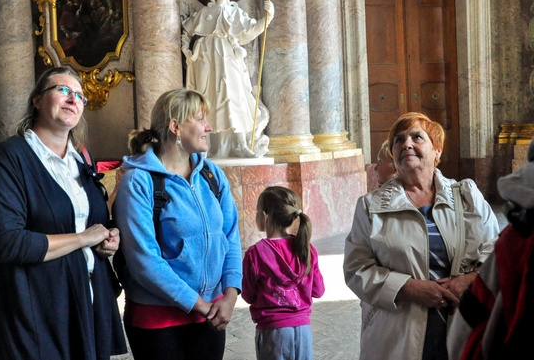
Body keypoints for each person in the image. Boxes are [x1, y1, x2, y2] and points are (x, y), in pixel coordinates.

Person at [0, 67, 126, 359]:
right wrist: (82, 238)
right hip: (37, 311)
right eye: (63, 90)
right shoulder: (10, 156)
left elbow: (93, 223)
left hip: (87, 304)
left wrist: (108, 238)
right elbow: (7, 242)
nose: (73, 99)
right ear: (37, 100)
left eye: (80, 96)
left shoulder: (81, 159)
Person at [343, 112, 500, 360]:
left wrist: (471, 280)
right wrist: (407, 288)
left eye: (417, 137)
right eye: (399, 140)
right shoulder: (370, 206)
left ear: (437, 150)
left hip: (462, 324)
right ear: (393, 156)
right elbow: (356, 268)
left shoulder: (467, 196)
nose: (406, 144)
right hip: (397, 334)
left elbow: (496, 250)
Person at [112, 88, 242, 360]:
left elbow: (230, 237)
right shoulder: (139, 181)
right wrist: (200, 305)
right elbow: (144, 261)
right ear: (175, 127)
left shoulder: (212, 175)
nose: (209, 127)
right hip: (158, 319)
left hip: (210, 314)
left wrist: (230, 295)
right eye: (200, 119)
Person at [447, 137, 534, 360]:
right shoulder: (514, 239)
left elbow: (463, 340)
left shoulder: (517, 240)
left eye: (417, 138)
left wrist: (473, 276)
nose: (408, 145)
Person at [181, 0, 274, 158]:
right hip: (205, 57)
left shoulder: (235, 13)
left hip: (230, 56)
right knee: (205, 97)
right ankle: (205, 145)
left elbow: (253, 28)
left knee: (235, 96)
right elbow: (187, 33)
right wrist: (186, 50)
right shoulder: (204, 13)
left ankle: (241, 144)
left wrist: (268, 17)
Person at [242, 186, 325, 360]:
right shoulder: (307, 249)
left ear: (264, 216)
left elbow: (248, 295)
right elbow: (318, 290)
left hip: (272, 332)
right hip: (303, 331)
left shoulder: (255, 253)